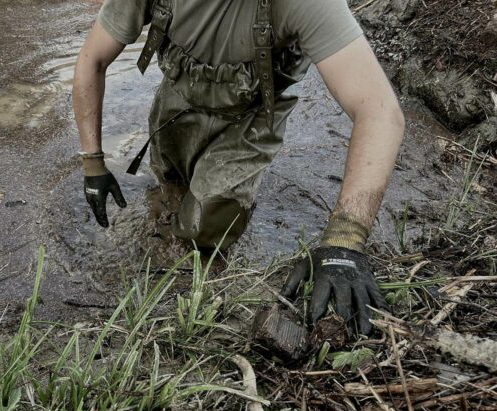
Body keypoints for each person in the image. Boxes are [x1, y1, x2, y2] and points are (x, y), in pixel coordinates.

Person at [72, 0, 405, 336]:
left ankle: (204, 287)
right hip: (176, 101)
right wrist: (93, 164)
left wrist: (344, 242)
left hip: (251, 117)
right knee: (168, 192)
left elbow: (379, 112)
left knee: (204, 228)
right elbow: (92, 60)